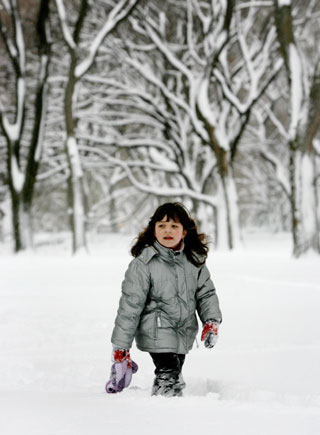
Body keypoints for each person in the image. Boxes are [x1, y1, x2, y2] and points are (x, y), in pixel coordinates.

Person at [106, 202, 222, 397]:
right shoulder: (144, 263)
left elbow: (206, 294)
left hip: (184, 329)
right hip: (156, 328)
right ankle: (167, 406)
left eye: (174, 226)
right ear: (154, 230)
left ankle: (165, 397)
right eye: (162, 226)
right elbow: (130, 306)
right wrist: (121, 345)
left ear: (184, 232)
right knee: (168, 373)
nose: (167, 230)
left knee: (175, 368)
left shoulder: (194, 261)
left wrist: (211, 321)